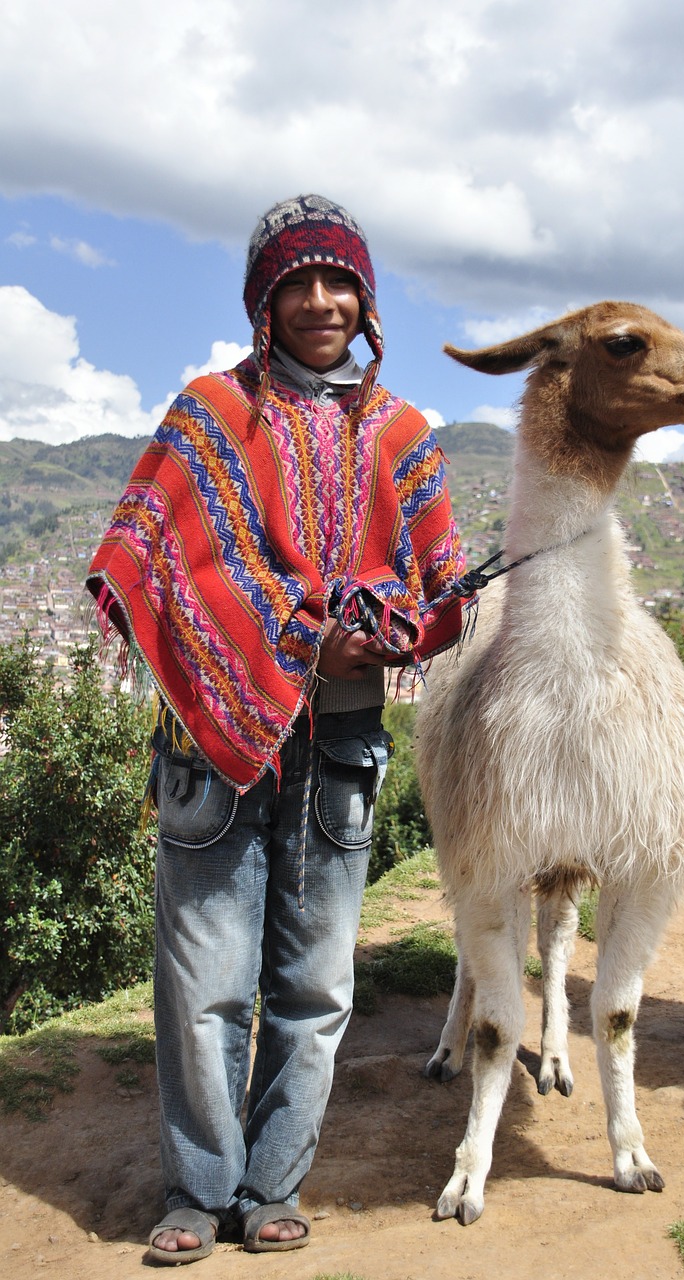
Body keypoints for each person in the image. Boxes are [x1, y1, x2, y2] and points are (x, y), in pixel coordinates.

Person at [86, 194, 467, 1264]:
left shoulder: (402, 436)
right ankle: (196, 1189)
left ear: (366, 296)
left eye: (336, 279)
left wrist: (386, 633)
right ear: (262, 298)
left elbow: (441, 587)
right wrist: (297, 637)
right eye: (293, 281)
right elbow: (151, 556)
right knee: (202, 976)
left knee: (315, 983)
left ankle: (272, 1182)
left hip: (339, 746)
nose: (317, 300)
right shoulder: (210, 414)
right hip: (209, 742)